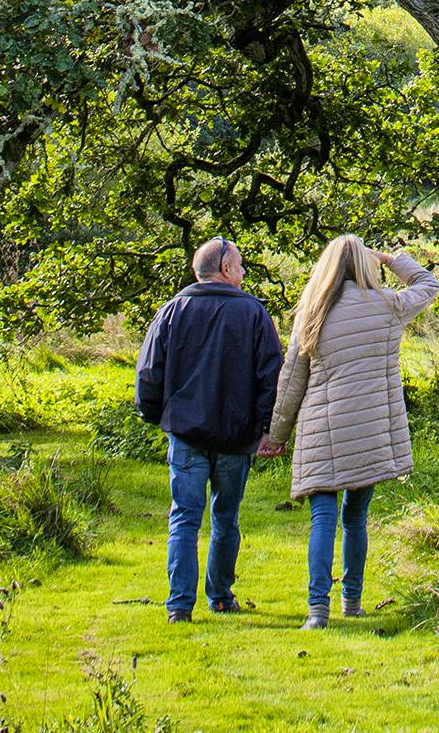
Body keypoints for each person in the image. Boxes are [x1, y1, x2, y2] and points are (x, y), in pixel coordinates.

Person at [265, 234, 439, 629]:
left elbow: (291, 380)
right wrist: (391, 257)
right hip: (369, 428)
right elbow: (430, 285)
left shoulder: (311, 313)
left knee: (323, 519)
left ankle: (317, 611)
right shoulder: (387, 305)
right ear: (365, 266)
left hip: (321, 429)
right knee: (356, 518)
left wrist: (276, 436)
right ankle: (352, 601)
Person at [133, 236, 283, 621]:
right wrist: (268, 427)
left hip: (186, 434)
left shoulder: (171, 311)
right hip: (235, 436)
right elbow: (271, 376)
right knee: (225, 519)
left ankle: (179, 605)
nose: (245, 272)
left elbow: (149, 372)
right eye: (241, 265)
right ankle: (219, 595)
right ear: (226, 269)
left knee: (183, 517)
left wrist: (156, 416)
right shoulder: (254, 313)